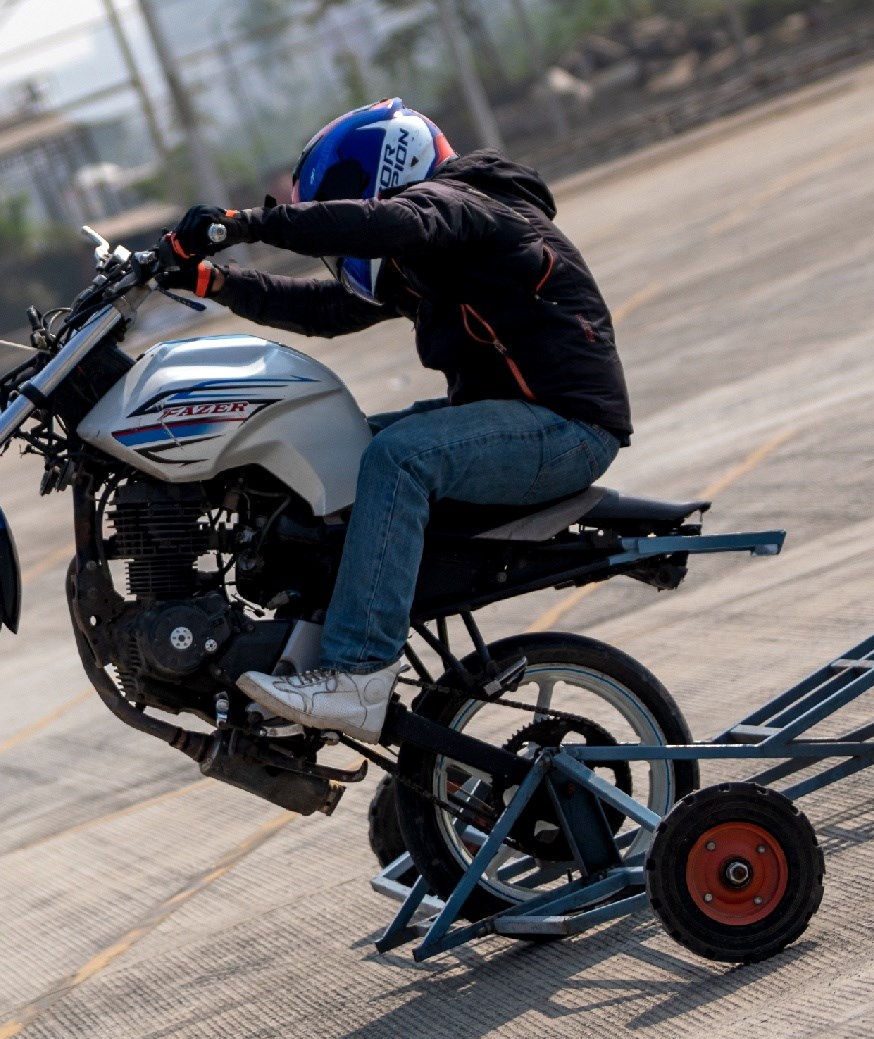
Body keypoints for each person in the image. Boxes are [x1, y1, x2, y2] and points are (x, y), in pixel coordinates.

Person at [161, 97, 632, 743]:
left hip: (563, 430)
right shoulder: (432, 256)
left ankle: (356, 676)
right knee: (336, 449)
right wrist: (213, 279)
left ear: (389, 164)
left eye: (347, 194)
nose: (347, 213)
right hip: (510, 422)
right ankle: (294, 651)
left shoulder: (470, 207)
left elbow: (387, 224)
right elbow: (326, 309)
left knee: (400, 458)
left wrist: (248, 224)